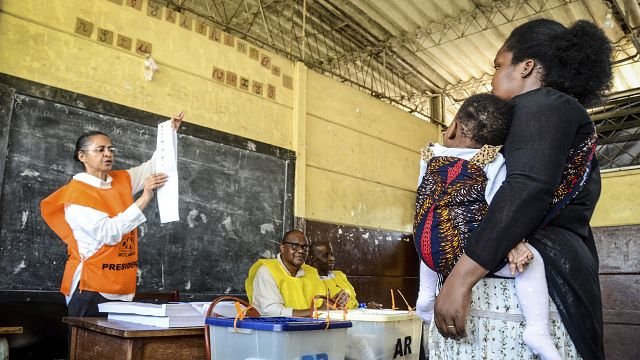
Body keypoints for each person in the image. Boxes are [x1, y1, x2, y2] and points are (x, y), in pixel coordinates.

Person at [432, 19, 611, 360]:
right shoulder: (552, 112)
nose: (493, 76)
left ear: (526, 66)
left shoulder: (542, 103)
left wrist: (460, 279)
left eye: (499, 65)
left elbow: (527, 188)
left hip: (536, 271)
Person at [414, 94, 560, 359]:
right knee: (534, 261)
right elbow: (500, 210)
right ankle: (537, 330)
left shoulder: (428, 156)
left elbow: (424, 200)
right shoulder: (491, 161)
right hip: (467, 249)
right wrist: (516, 243)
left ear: (454, 128)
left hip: (429, 247)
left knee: (431, 234)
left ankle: (424, 296)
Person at [40, 112, 184, 317]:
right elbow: (109, 233)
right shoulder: (76, 194)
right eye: (99, 150)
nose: (108, 154)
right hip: (90, 288)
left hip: (122, 287)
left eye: (110, 149)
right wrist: (144, 198)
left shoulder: (121, 179)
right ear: (82, 157)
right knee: (89, 348)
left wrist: (169, 134)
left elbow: (155, 167)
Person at [245, 230, 335, 317]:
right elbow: (271, 311)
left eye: (304, 247)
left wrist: (332, 304)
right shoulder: (267, 271)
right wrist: (316, 311)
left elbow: (321, 304)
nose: (301, 251)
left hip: (308, 329)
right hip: (277, 331)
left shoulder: (311, 272)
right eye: (295, 246)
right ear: (283, 248)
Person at [307, 240, 384, 310]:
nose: (332, 258)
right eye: (325, 255)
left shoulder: (339, 276)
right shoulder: (308, 280)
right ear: (313, 258)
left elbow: (353, 303)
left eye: (331, 254)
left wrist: (366, 306)